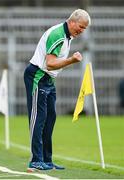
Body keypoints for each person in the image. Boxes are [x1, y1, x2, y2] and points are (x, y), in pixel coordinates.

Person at [24, 9, 91, 171]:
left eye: (84, 29)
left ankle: (47, 160)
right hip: (38, 76)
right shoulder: (58, 34)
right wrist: (71, 60)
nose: (82, 31)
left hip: (49, 79)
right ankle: (36, 160)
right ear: (72, 21)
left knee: (50, 118)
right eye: (81, 27)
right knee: (38, 118)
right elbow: (50, 63)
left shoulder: (68, 36)